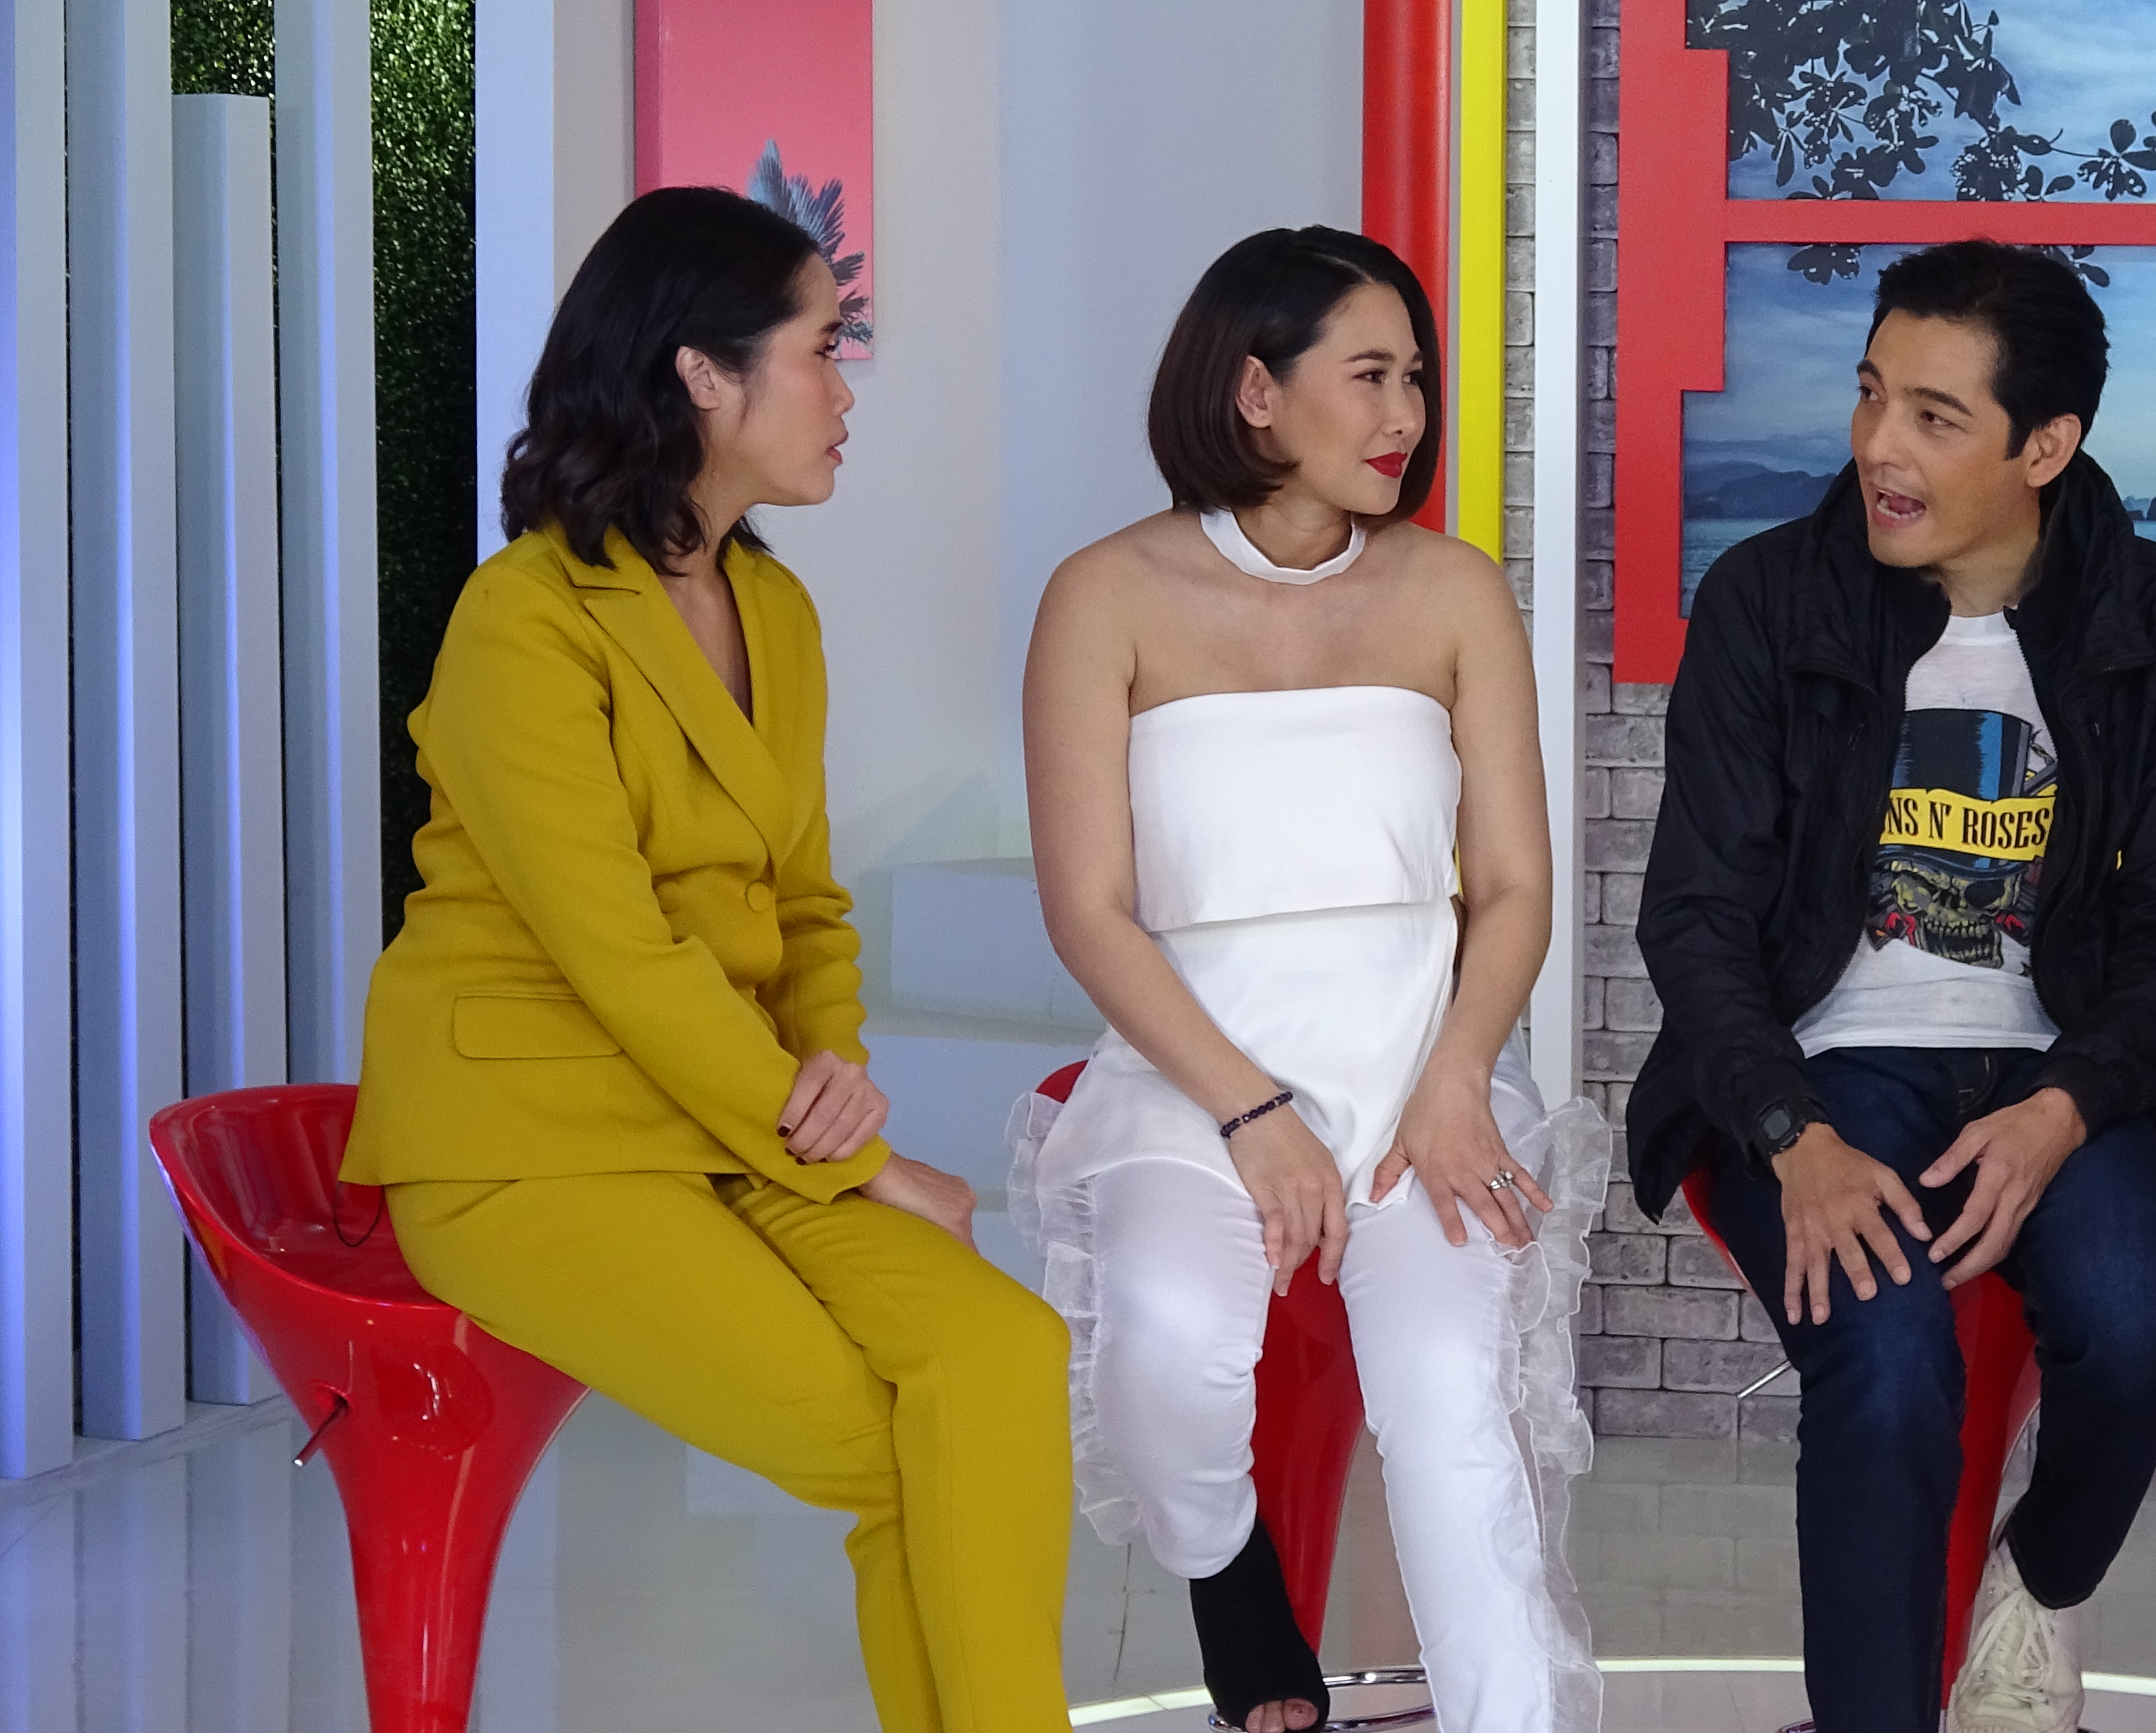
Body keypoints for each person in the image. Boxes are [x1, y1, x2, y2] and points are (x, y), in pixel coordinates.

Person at [340, 187, 1076, 1733]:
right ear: (701, 373)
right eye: (823, 348)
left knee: (1000, 1356)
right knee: (890, 1444)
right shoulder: (522, 620)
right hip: (531, 1149)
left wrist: (838, 1077)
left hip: (730, 1123)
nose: (846, 389)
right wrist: (852, 1155)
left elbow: (804, 904)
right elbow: (615, 950)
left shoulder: (774, 610)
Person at [1628, 239, 2156, 1733]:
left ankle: (2032, 1587)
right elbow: (1695, 916)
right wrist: (1793, 1133)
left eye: (1933, 416)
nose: (1878, 448)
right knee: (1889, 1356)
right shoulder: (1769, 599)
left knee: (2144, 1330)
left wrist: (2063, 1113)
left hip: (2054, 1069)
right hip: (1822, 1067)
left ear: (2045, 446)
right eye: (1869, 396)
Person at [1013, 226, 1605, 1733]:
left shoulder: (1455, 592)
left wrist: (1459, 1078)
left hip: (1423, 1064)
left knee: (1451, 1408)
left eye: (1415, 379)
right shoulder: (1105, 594)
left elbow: (1517, 888)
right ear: (1256, 390)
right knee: (1164, 1354)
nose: (1406, 414)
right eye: (1370, 376)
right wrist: (1251, 1112)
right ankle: (1229, 1573)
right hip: (1193, 1071)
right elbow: (1089, 911)